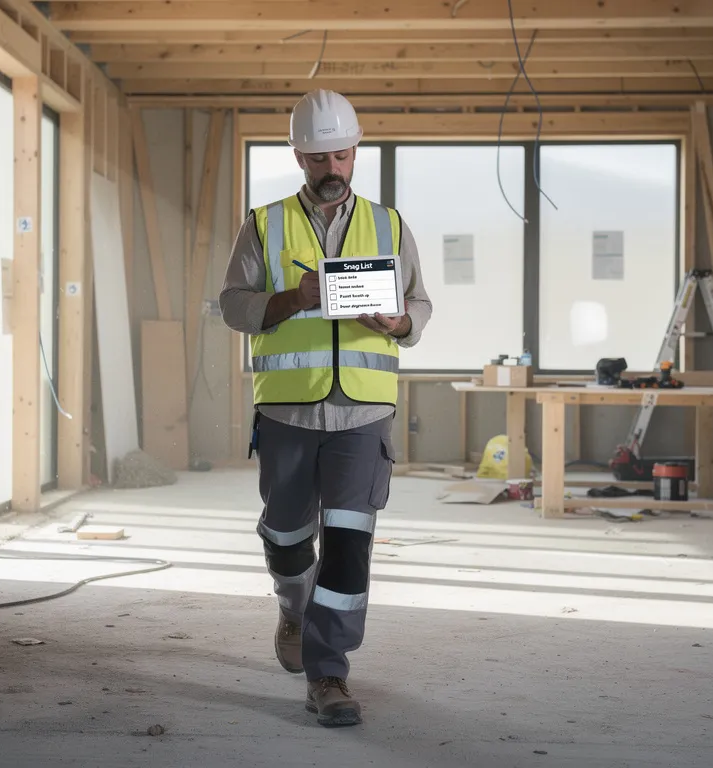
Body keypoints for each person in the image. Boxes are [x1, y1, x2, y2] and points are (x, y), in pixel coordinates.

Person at [219, 89, 433, 727]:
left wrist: (399, 322)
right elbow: (233, 305)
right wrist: (290, 298)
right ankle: (292, 603)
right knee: (287, 535)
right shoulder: (264, 223)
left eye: (341, 154)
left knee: (348, 543)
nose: (331, 167)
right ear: (298, 156)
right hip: (287, 411)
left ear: (355, 151)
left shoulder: (390, 225)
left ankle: (329, 673)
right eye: (318, 157)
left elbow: (419, 306)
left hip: (364, 415)